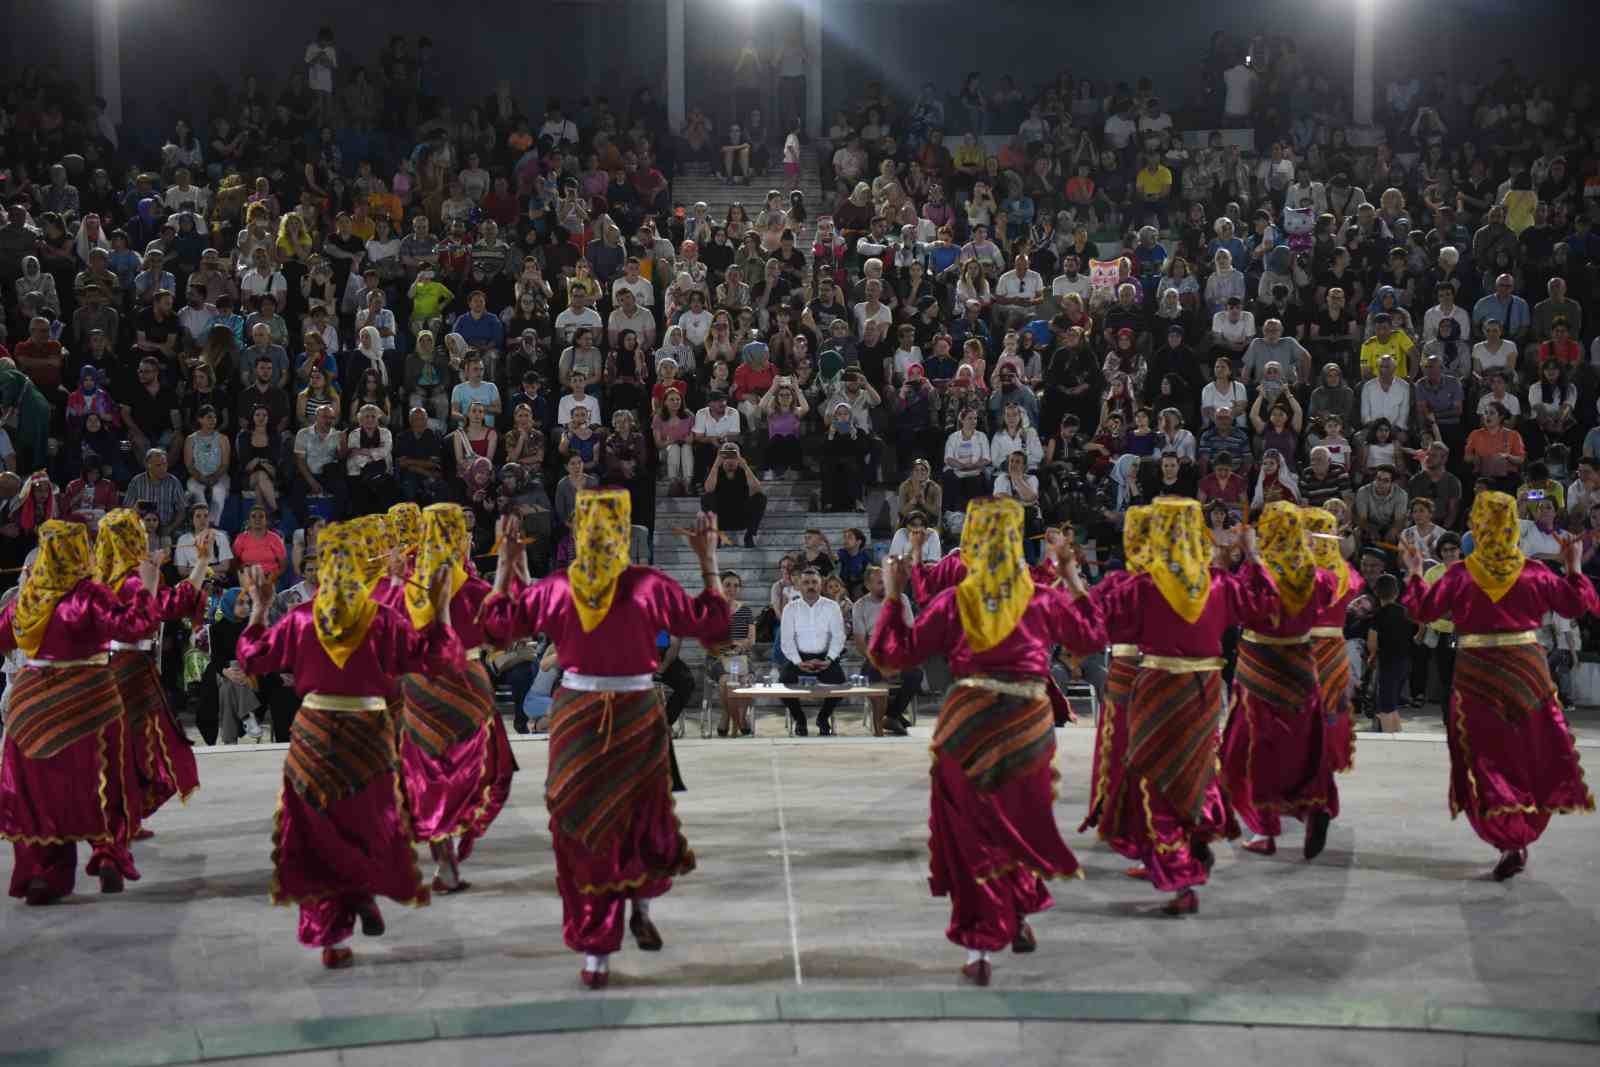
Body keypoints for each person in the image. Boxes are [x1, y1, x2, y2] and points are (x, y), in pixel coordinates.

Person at [482, 495, 728, 988]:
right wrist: (708, 564)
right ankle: (598, 945)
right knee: (588, 823)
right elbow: (714, 625)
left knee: (628, 819)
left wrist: (507, 570)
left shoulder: (587, 587)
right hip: (597, 714)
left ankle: (631, 913)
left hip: (617, 714)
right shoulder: (636, 585)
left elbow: (498, 625)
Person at [870, 497, 1102, 986]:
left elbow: (892, 656)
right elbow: (1091, 636)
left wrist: (893, 597)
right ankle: (1016, 912)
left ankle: (980, 949)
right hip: (1028, 727)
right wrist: (1071, 576)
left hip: (967, 726)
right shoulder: (1041, 598)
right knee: (1015, 823)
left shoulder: (954, 602)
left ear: (971, 543)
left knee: (974, 831)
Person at [236, 520, 463, 969]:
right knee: (367, 823)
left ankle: (332, 939)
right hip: (369, 735)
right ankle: (361, 892)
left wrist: (260, 609)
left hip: (314, 733)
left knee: (315, 831)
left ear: (321, 571)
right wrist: (439, 611)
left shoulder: (301, 620)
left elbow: (253, 657)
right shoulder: (383, 619)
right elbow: (438, 659)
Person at [1095, 497, 1278, 915]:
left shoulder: (1142, 585)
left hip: (1158, 688)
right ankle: (1199, 829)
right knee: (1197, 766)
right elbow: (1265, 607)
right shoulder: (1220, 583)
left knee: (1154, 777)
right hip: (1205, 688)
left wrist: (1071, 580)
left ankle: (1182, 879)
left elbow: (1100, 623)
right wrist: (1253, 556)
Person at [1401, 492, 1597, 881]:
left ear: (1476, 525)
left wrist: (1414, 573)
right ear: (1513, 527)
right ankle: (1525, 822)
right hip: (1528, 670)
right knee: (1530, 748)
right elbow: (1577, 605)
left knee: (1485, 753)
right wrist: (1573, 566)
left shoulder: (1458, 574)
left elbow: (1422, 610)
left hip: (1477, 672)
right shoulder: (1535, 572)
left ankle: (1508, 837)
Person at [0, 521, 160, 904]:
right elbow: (134, 626)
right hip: (89, 700)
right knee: (103, 783)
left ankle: (43, 872)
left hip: (32, 708)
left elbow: (3, 636)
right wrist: (150, 586)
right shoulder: (89, 594)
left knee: (38, 792)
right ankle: (107, 854)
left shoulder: (27, 597)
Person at [393, 504, 518, 893]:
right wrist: (509, 569)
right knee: (483, 769)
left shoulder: (407, 593)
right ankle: (460, 837)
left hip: (420, 689)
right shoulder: (477, 590)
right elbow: (504, 634)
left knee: (426, 773)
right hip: (467, 684)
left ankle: (443, 858)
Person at [1220, 502, 1343, 860]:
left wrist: (1246, 558)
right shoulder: (1318, 574)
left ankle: (1266, 829)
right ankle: (1313, 808)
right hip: (1301, 668)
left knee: (1248, 751)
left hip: (1259, 670)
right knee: (1303, 748)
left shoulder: (1255, 573)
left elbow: (1238, 607)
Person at [93, 507, 211, 831]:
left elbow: (172, 603)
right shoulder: (133, 581)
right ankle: (122, 820)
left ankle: (123, 816)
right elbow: (172, 606)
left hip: (112, 666)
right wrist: (199, 562)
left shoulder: (102, 579)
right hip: (130, 667)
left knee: (125, 745)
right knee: (138, 746)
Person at [1078, 506, 1154, 873]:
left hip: (1129, 673)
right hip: (1162, 676)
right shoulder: (1179, 582)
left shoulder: (1119, 584)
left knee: (1124, 744)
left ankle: (1131, 821)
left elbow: (1087, 616)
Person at [1302, 506, 1366, 774]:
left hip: (1304, 648)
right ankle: (1327, 758)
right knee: (1330, 706)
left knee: (1304, 707)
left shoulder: (1305, 573)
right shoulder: (1347, 574)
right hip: (1335, 647)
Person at [779, 567, 847, 735]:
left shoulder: (832, 607)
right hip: (799, 659)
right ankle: (800, 719)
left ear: (820, 584)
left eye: (814, 582)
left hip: (825, 658)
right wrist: (798, 662)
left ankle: (823, 718)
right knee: (782, 685)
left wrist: (829, 659)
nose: (811, 586)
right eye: (806, 582)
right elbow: (786, 640)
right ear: (799, 586)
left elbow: (839, 637)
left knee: (841, 684)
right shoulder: (790, 608)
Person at [701, 442, 767, 548]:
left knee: (760, 498)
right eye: (726, 456)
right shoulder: (716, 471)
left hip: (741, 517)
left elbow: (758, 489)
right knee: (706, 497)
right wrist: (716, 465)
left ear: (738, 458)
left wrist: (745, 466)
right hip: (721, 518)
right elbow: (708, 489)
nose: (730, 460)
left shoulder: (744, 471)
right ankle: (716, 536)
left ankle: (749, 535)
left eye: (733, 456)